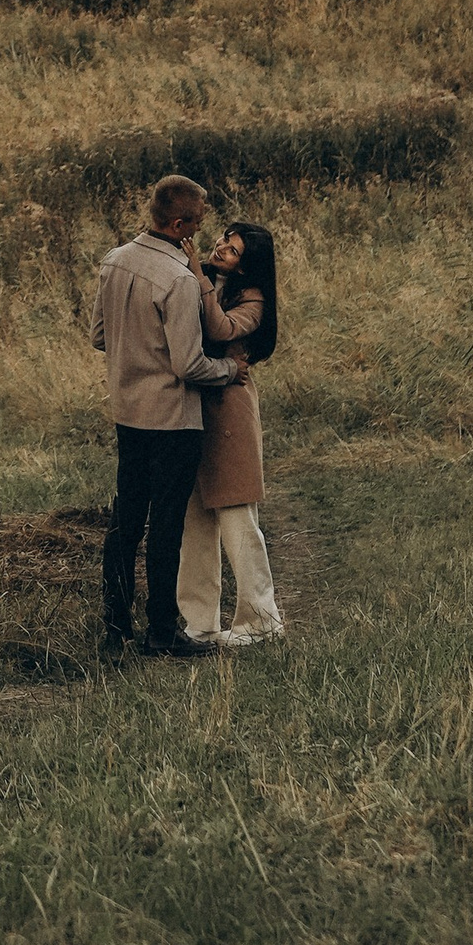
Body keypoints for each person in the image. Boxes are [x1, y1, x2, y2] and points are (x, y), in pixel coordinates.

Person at [90, 172, 246, 659]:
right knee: (166, 526)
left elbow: (99, 336)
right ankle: (161, 632)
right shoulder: (178, 279)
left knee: (125, 522)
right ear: (178, 223)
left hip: (127, 412)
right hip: (173, 420)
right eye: (197, 223)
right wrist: (228, 370)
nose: (200, 231)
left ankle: (115, 631)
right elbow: (189, 364)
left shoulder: (114, 261)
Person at [178, 222, 286, 644]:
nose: (221, 247)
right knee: (195, 519)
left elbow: (221, 329)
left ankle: (261, 621)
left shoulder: (253, 300)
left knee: (238, 517)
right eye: (224, 239)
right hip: (193, 404)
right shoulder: (201, 278)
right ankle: (199, 623)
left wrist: (198, 274)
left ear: (247, 267)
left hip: (230, 413)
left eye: (233, 250)